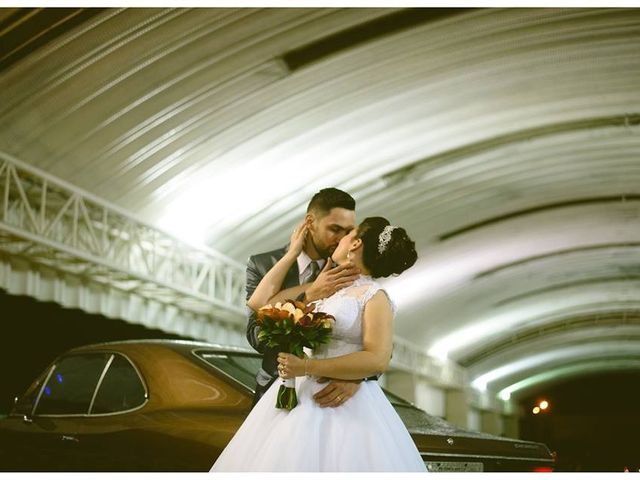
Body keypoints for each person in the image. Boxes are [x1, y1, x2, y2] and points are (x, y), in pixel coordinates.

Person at [211, 216, 426, 472]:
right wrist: (301, 271)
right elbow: (260, 306)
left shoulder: (374, 296)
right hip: (300, 392)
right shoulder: (328, 285)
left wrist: (309, 366)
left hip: (343, 403)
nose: (340, 239)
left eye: (347, 234)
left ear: (355, 243)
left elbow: (378, 358)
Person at [245, 188, 370, 408]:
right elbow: (257, 338)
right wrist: (309, 295)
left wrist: (358, 377)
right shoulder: (262, 265)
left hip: (329, 397)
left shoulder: (351, 270)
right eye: (334, 229)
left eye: (348, 231)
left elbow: (381, 345)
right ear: (310, 222)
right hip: (274, 390)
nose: (342, 239)